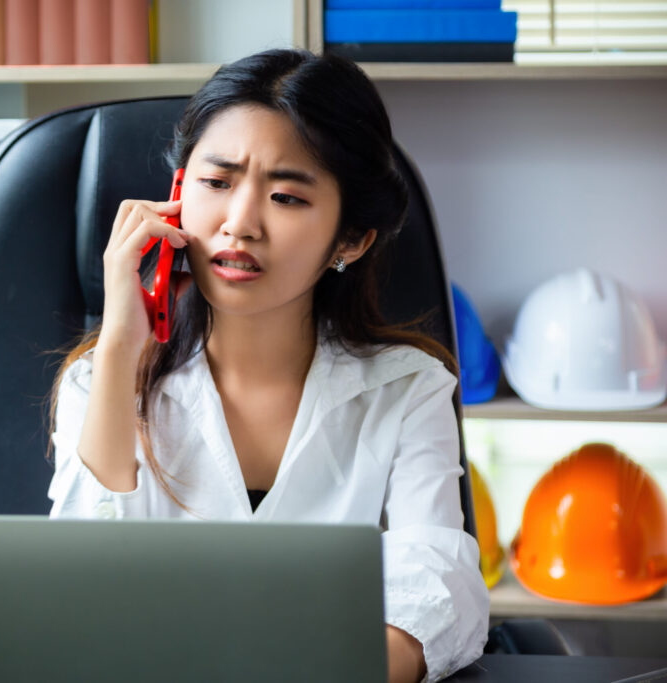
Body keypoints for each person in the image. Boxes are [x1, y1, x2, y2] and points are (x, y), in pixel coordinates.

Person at [46, 48, 489, 683]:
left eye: (285, 196)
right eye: (216, 183)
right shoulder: (102, 381)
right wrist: (119, 344)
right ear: (176, 196)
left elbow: (441, 594)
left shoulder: (408, 389)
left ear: (350, 240)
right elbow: (69, 600)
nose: (239, 223)